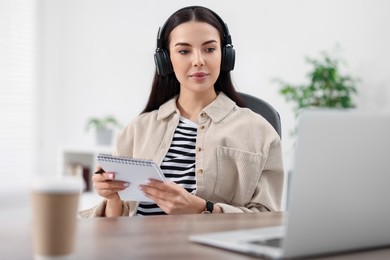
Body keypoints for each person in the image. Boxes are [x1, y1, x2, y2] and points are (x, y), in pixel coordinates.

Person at [80, 6, 284, 218]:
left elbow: (268, 220)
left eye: (209, 49)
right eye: (184, 51)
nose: (198, 60)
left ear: (225, 55)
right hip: (135, 248)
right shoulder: (137, 129)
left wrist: (202, 208)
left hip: (206, 250)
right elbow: (116, 225)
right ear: (166, 60)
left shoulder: (259, 132)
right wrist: (112, 198)